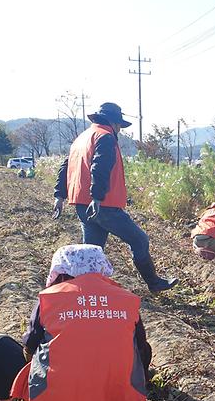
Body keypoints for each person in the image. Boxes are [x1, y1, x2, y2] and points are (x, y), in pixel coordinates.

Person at [0, 244, 152, 401]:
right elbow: (140, 348)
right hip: (113, 392)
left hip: (59, 395)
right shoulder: (126, 298)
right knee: (142, 347)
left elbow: (29, 349)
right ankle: (136, 391)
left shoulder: (50, 298)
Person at [52, 102, 177, 292]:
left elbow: (65, 167)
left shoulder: (82, 138)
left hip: (81, 204)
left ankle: (86, 290)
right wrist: (97, 197)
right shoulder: (106, 137)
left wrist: (59, 196)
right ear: (113, 123)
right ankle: (154, 282)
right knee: (139, 240)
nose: (119, 129)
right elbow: (100, 166)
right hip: (103, 205)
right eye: (119, 125)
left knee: (93, 252)